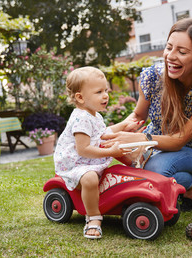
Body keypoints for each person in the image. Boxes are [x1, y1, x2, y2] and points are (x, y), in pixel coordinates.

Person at [102, 18, 192, 211]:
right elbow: (138, 115)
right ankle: (189, 183)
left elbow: (179, 140)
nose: (170, 56)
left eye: (182, 52)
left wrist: (141, 138)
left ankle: (177, 186)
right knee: (122, 158)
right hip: (155, 145)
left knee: (154, 170)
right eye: (169, 47)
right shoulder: (153, 77)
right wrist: (111, 131)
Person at [54, 67, 142, 239]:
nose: (105, 96)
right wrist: (110, 151)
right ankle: (93, 217)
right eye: (99, 92)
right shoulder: (80, 118)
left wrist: (124, 125)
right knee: (90, 178)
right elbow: (83, 149)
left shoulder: (94, 115)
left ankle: (138, 166)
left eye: (106, 91)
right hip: (76, 164)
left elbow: (102, 133)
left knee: (117, 153)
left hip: (89, 161)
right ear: (80, 97)